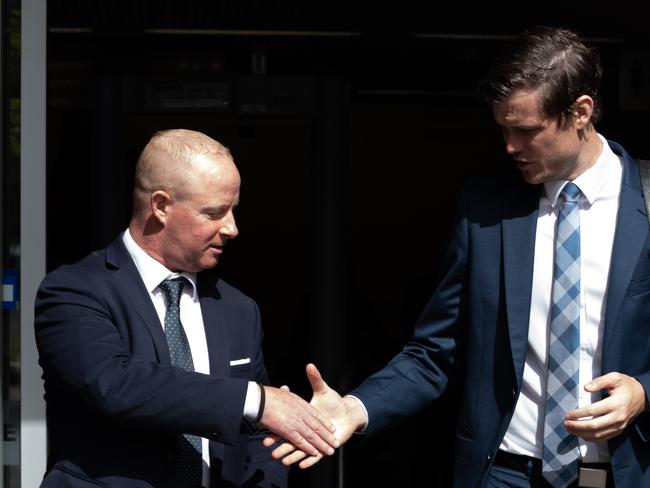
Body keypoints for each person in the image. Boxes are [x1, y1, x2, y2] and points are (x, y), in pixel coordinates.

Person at [267, 26, 650, 488]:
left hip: (622, 473)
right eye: (503, 128)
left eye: (525, 130)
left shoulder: (646, 202)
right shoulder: (485, 206)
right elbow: (435, 350)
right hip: (502, 471)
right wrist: (357, 407)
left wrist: (644, 391)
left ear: (581, 113)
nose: (509, 146)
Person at [34, 129, 338, 488]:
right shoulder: (75, 291)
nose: (232, 228)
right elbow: (115, 384)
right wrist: (255, 400)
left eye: (233, 210)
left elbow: (256, 433)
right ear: (161, 206)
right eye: (214, 213)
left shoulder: (238, 309)